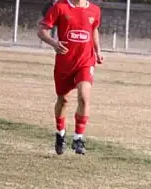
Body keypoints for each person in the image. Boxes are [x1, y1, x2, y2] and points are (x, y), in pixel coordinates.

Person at [38, 0, 103, 156]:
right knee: (63, 100)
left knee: (84, 97)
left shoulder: (95, 10)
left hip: (86, 61)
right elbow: (42, 31)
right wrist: (54, 43)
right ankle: (60, 134)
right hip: (65, 63)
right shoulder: (60, 7)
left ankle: (78, 138)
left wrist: (98, 51)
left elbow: (94, 29)